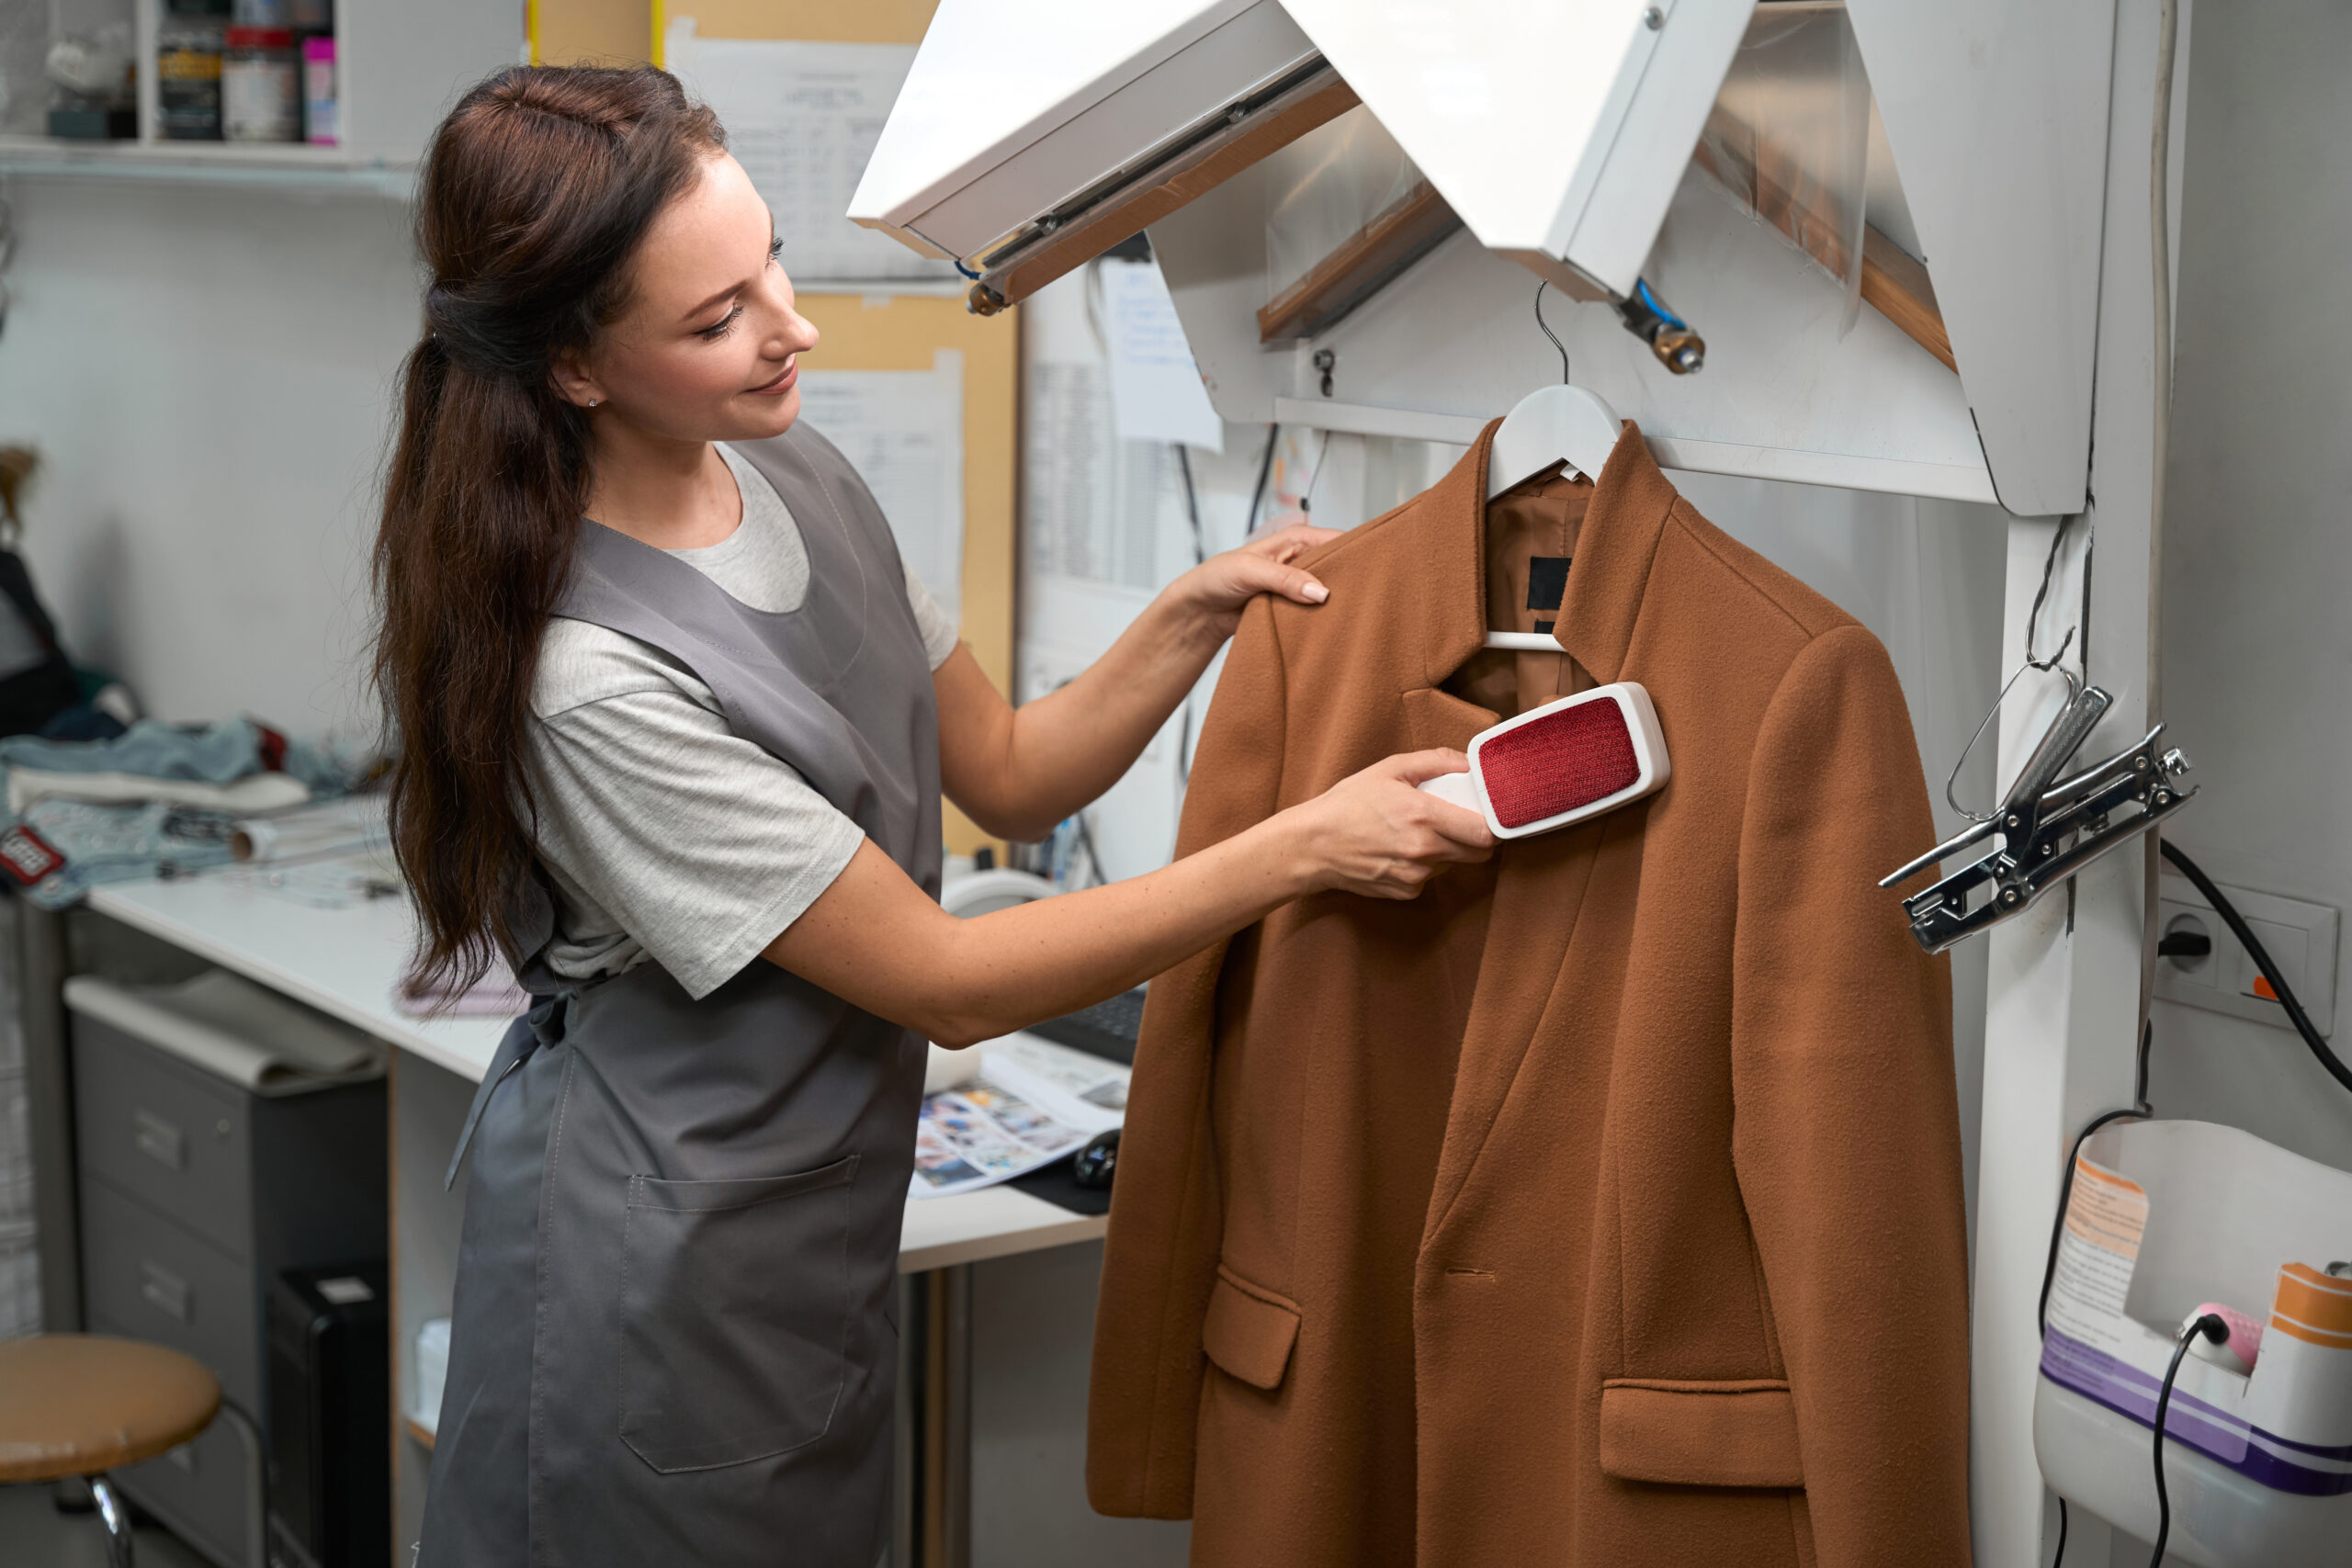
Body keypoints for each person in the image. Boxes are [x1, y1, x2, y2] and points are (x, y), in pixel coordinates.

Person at [371, 64, 1493, 1567]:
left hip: (805, 1237)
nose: (792, 324)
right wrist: (1307, 848)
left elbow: (1014, 770)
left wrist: (1193, 613)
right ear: (575, 366)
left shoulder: (801, 476)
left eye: (766, 257)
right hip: (654, 1269)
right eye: (716, 320)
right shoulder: (589, 674)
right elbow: (951, 985)